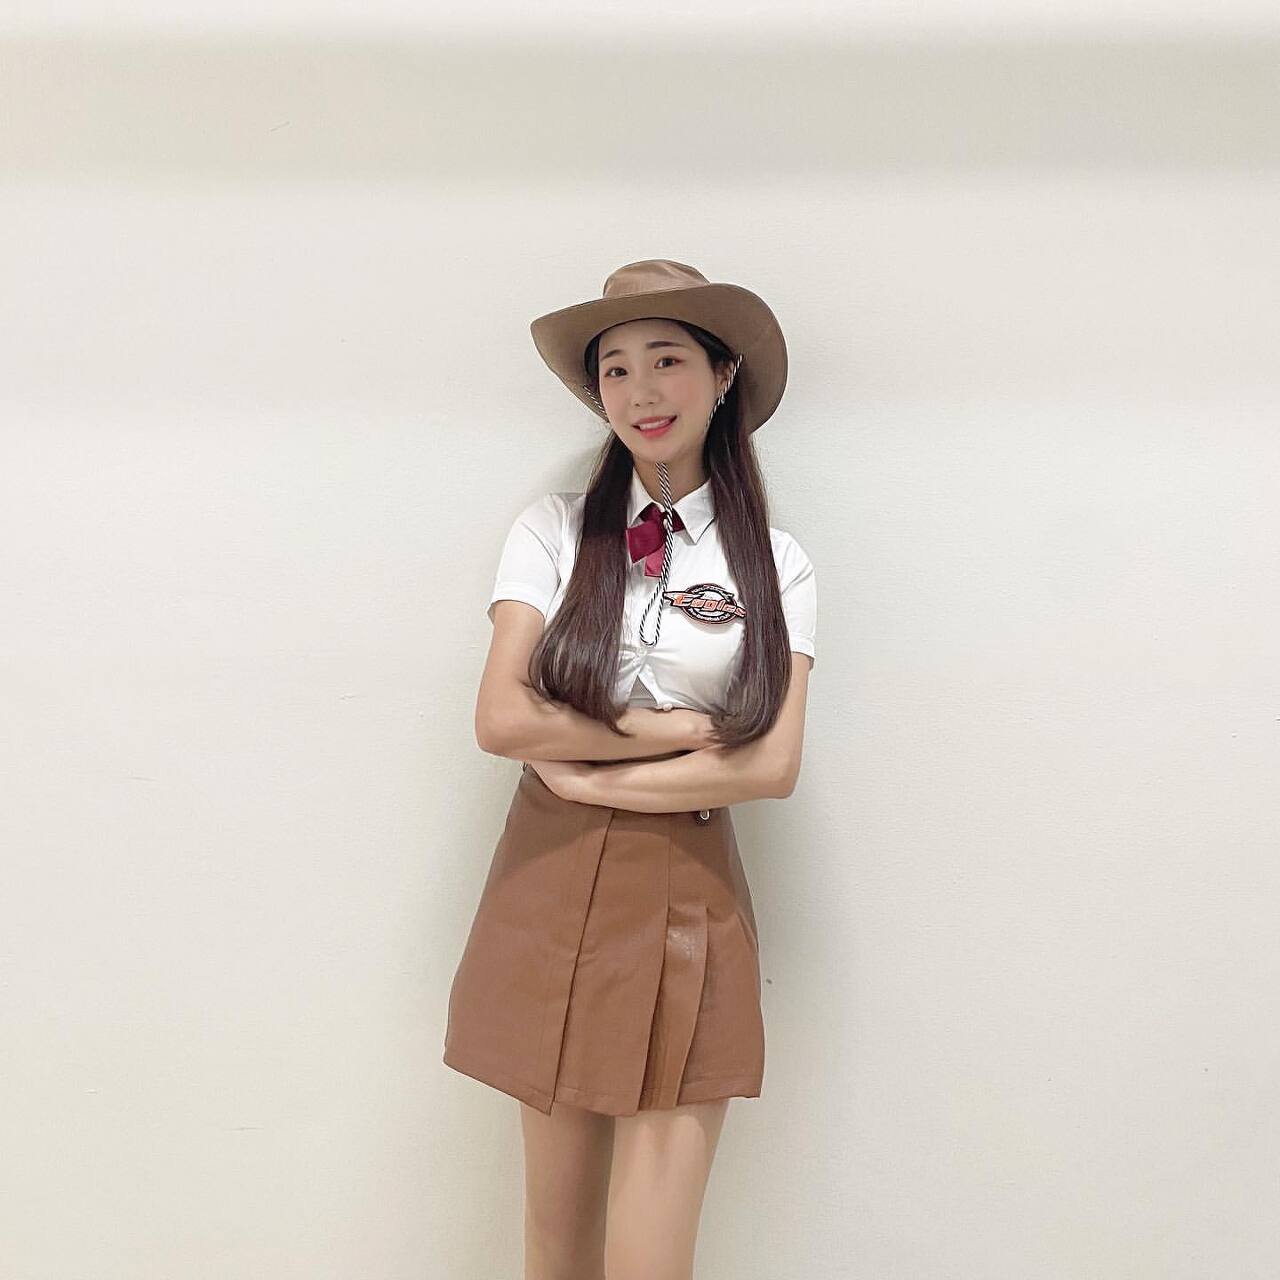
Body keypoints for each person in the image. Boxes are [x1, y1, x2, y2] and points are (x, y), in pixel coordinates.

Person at [443, 258, 817, 1279]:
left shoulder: (775, 561)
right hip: (548, 883)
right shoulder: (554, 529)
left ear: (723, 374)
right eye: (615, 369)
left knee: (651, 1261)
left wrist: (590, 775)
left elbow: (771, 762)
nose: (641, 391)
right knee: (555, 1246)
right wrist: (671, 731)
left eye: (666, 359)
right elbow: (500, 716)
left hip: (689, 896)